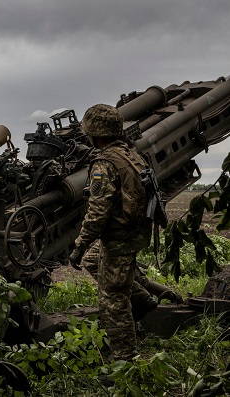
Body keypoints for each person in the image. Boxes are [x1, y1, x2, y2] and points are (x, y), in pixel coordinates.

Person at [68, 104, 152, 361]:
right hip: (133, 232)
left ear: (94, 132)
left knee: (112, 300)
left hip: (119, 236)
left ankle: (125, 361)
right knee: (95, 261)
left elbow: (97, 213)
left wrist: (80, 245)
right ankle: (142, 298)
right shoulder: (131, 155)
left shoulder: (104, 164)